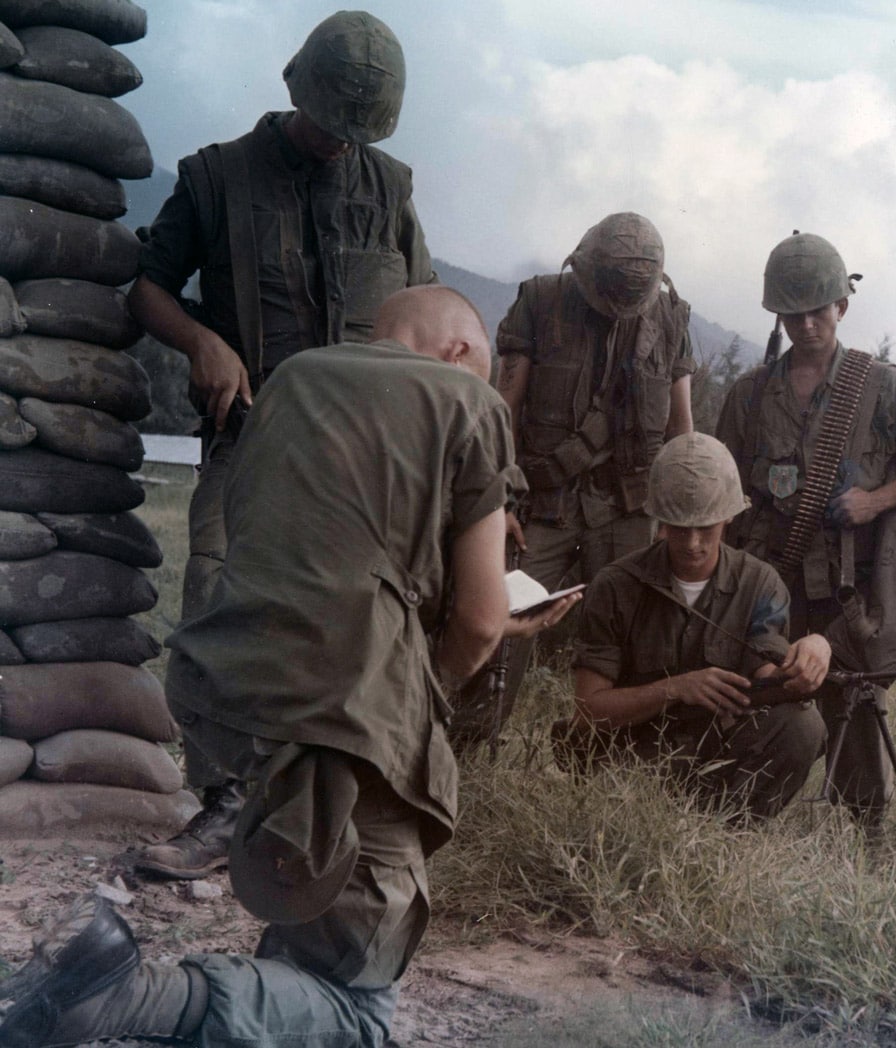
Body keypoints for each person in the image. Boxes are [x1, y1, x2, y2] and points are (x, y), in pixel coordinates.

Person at [0, 286, 580, 1047]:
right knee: (357, 1012)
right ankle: (119, 994)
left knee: (318, 911)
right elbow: (476, 619)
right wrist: (436, 684)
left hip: (230, 697)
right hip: (351, 710)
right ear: (460, 353)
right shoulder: (468, 403)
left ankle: (134, 990)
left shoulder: (293, 382)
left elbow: (268, 534)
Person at [126, 10, 437, 880]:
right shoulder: (217, 177)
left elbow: (426, 316)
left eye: (360, 132)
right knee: (218, 612)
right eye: (334, 123)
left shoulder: (392, 190)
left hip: (362, 460)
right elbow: (147, 289)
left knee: (355, 633)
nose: (344, 145)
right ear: (297, 85)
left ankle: (328, 813)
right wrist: (200, 343)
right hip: (252, 440)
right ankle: (221, 807)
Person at [715, 233, 896, 831]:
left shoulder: (880, 386)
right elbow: (722, 484)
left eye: (818, 310)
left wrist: (877, 501)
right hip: (770, 579)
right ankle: (745, 818)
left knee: (853, 698)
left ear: (842, 307)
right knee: (760, 693)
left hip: (850, 585)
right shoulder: (749, 395)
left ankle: (865, 832)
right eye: (792, 314)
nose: (806, 325)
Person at [451, 211, 696, 751]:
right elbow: (502, 409)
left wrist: (677, 514)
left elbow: (682, 426)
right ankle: (468, 746)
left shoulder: (671, 317)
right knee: (501, 615)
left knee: (634, 635)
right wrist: (499, 504)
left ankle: (611, 757)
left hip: (629, 509)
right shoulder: (540, 301)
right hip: (541, 504)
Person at [558, 433, 828, 820]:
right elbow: (589, 710)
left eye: (707, 526)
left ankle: (730, 833)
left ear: (730, 517)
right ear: (659, 521)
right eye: (679, 527)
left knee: (803, 726)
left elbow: (769, 673)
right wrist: (676, 689)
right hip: (633, 757)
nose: (693, 543)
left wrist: (815, 648)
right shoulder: (615, 585)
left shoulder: (759, 583)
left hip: (719, 750)